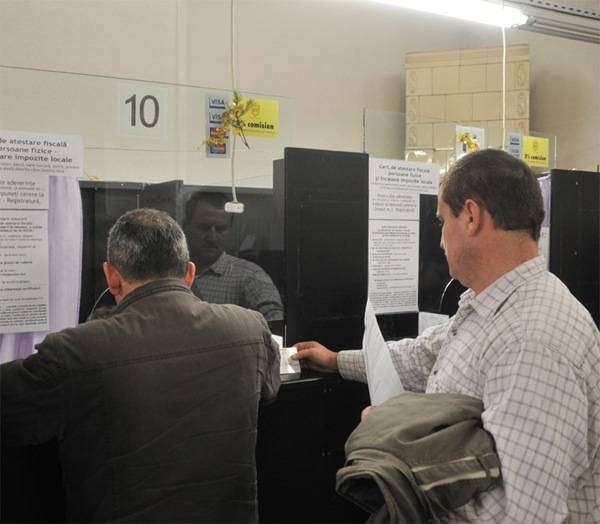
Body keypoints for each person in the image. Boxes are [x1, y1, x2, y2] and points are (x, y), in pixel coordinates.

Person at [292, 149, 600, 523]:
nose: (440, 241)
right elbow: (425, 355)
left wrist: (396, 446)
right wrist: (336, 360)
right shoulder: (496, 304)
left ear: (470, 216)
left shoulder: (532, 341)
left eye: (442, 221)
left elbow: (524, 514)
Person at [1, 208, 280, 523]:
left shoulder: (77, 351)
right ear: (189, 274)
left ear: (112, 277)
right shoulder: (250, 328)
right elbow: (270, 389)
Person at [183, 191, 283, 322]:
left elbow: (275, 323)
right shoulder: (169, 272)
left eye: (220, 229)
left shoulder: (249, 277)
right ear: (185, 227)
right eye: (204, 228)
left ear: (230, 231)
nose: (212, 237)